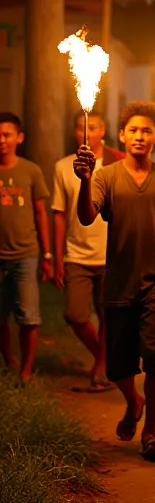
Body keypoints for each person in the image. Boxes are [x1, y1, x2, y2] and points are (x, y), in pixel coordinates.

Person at [74, 101, 155, 461]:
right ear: (122, 135)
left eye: (147, 131)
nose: (140, 137)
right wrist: (84, 182)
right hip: (118, 284)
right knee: (118, 365)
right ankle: (134, 403)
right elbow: (86, 217)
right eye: (134, 130)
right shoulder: (105, 176)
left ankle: (151, 432)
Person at [52, 110, 124, 392]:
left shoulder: (115, 164)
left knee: (107, 314)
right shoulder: (63, 167)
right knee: (75, 314)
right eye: (83, 127)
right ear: (76, 132)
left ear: (102, 129)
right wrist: (55, 257)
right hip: (77, 254)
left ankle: (101, 367)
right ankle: (103, 359)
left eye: (93, 127)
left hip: (109, 252)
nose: (88, 131)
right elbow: (59, 214)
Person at [0, 112, 53, 380]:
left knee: (28, 315)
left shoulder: (30, 170)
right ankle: (8, 359)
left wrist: (47, 253)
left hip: (25, 254)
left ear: (19, 138)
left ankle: (26, 370)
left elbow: (40, 212)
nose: (2, 140)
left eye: (7, 134)